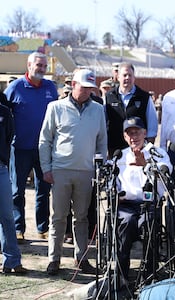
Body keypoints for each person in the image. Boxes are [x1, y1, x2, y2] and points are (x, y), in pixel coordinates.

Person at [39, 69, 107, 275]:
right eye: (84, 87)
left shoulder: (97, 110)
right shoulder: (55, 108)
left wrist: (99, 168)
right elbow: (45, 140)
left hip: (86, 172)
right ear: (73, 84)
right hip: (60, 170)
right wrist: (46, 168)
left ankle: (82, 258)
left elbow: (101, 142)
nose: (87, 92)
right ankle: (54, 259)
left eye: (90, 89)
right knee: (58, 216)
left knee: (82, 217)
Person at [3, 51, 58, 242]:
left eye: (44, 66)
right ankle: (19, 229)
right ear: (29, 65)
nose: (42, 69)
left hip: (45, 149)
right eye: (38, 65)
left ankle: (43, 228)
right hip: (19, 149)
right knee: (17, 190)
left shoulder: (51, 87)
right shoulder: (15, 88)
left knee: (43, 190)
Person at [116, 116, 172, 284]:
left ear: (145, 133)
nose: (134, 137)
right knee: (125, 223)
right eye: (130, 133)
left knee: (148, 223)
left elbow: (164, 181)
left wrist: (145, 165)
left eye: (137, 132)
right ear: (125, 137)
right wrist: (115, 192)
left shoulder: (158, 153)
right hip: (126, 205)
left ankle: (148, 275)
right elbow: (113, 182)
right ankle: (122, 276)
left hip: (149, 204)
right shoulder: (120, 156)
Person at [105, 62, 158, 157]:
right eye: (124, 75)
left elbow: (152, 126)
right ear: (118, 77)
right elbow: (103, 123)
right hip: (115, 149)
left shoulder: (144, 97)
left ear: (134, 78)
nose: (127, 78)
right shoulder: (109, 97)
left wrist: (148, 149)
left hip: (138, 148)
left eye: (130, 75)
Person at [0, 101, 27, 274]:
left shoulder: (4, 111)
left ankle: (12, 261)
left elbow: (9, 137)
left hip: (0, 168)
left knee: (7, 216)